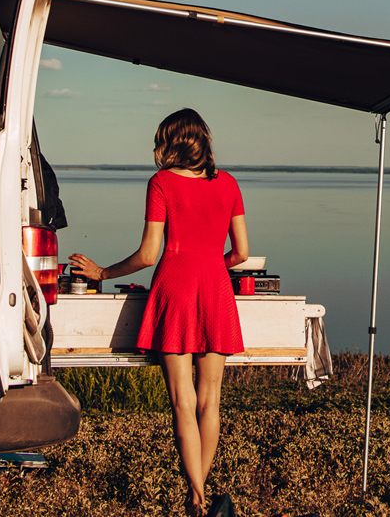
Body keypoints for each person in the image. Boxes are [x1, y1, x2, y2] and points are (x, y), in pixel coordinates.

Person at [69, 108, 249, 516]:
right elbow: (241, 253)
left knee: (182, 403)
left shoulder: (161, 183)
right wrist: (211, 263)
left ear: (172, 143)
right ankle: (198, 499)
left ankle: (198, 498)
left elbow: (149, 254)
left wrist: (103, 272)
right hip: (216, 286)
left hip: (177, 287)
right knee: (210, 402)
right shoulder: (229, 184)